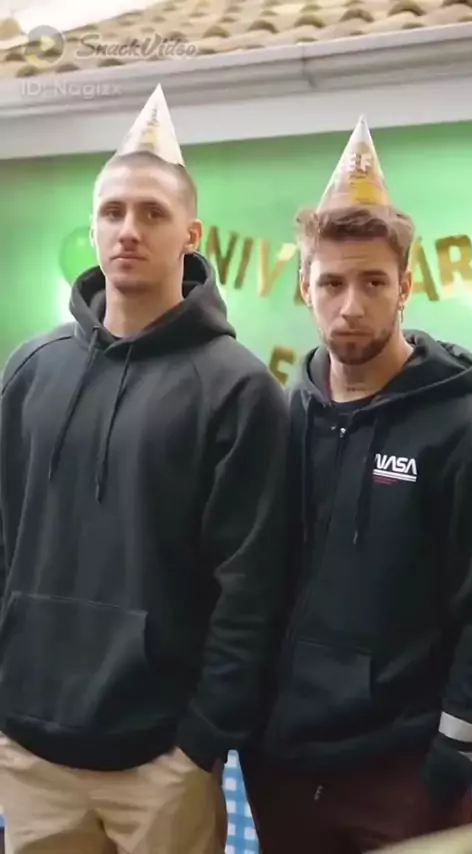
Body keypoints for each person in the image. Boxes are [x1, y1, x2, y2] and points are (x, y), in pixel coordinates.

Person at [0, 84, 290, 854]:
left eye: (153, 213)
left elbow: (252, 583)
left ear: (191, 234)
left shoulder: (238, 389)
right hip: (28, 754)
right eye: (113, 211)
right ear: (94, 225)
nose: (129, 229)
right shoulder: (29, 370)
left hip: (162, 764)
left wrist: (200, 740)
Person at [241, 116, 472, 853]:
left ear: (405, 287)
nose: (351, 305)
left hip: (402, 768)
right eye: (332, 283)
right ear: (304, 288)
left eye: (373, 282)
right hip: (283, 759)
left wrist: (458, 745)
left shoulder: (462, 426)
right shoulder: (283, 416)